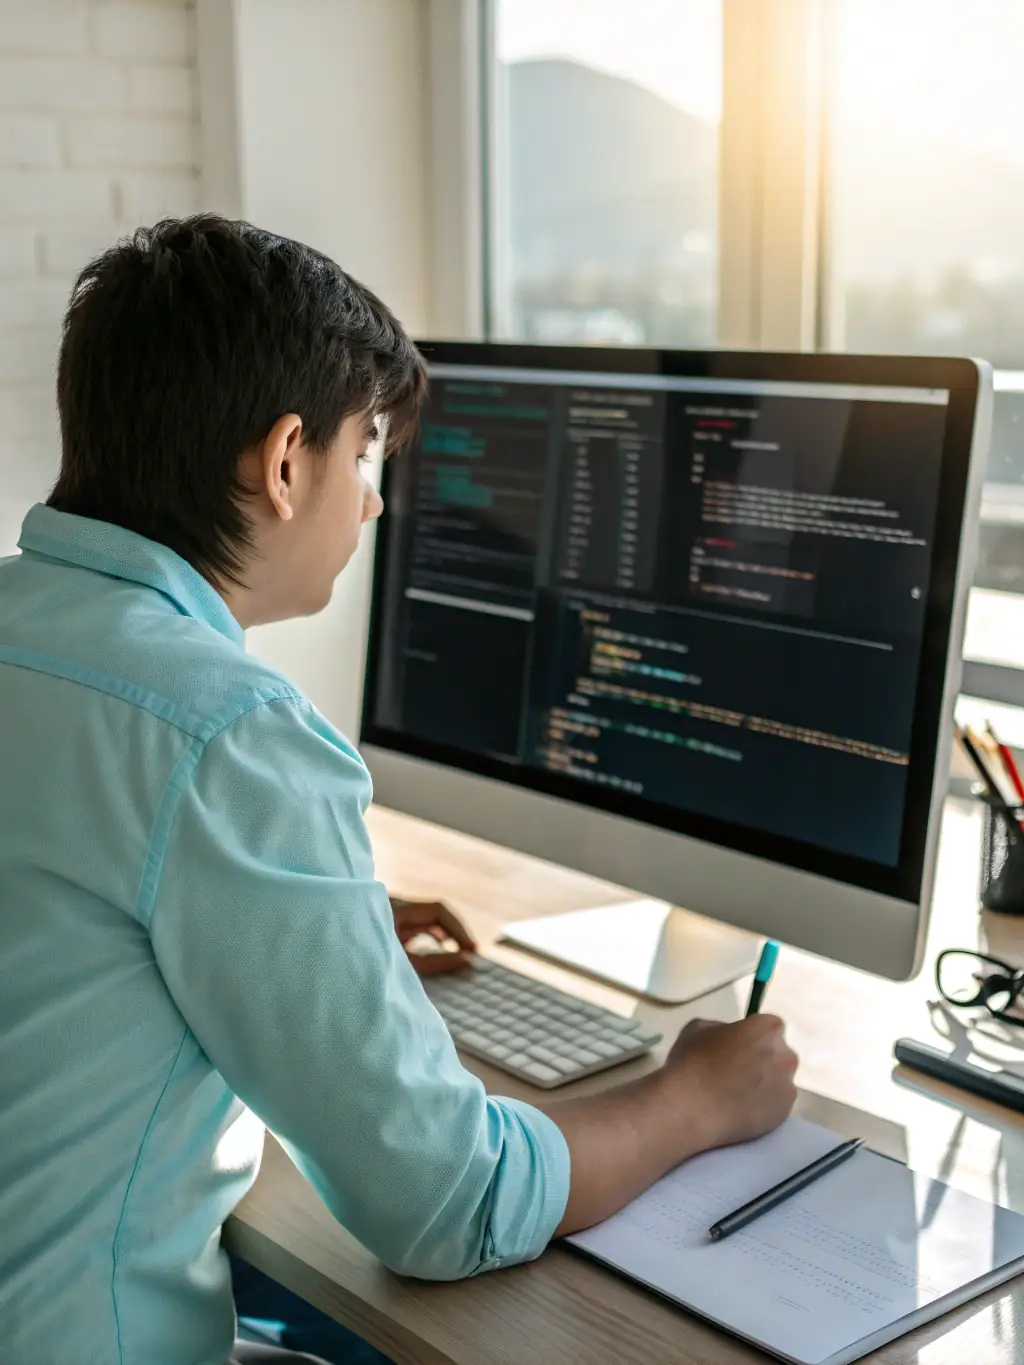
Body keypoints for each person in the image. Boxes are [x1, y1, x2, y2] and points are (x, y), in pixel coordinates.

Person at [0, 216, 799, 1365]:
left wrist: (314, 934)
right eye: (364, 453)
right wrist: (697, 1102)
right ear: (283, 463)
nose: (374, 503)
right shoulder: (228, 735)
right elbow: (442, 1206)